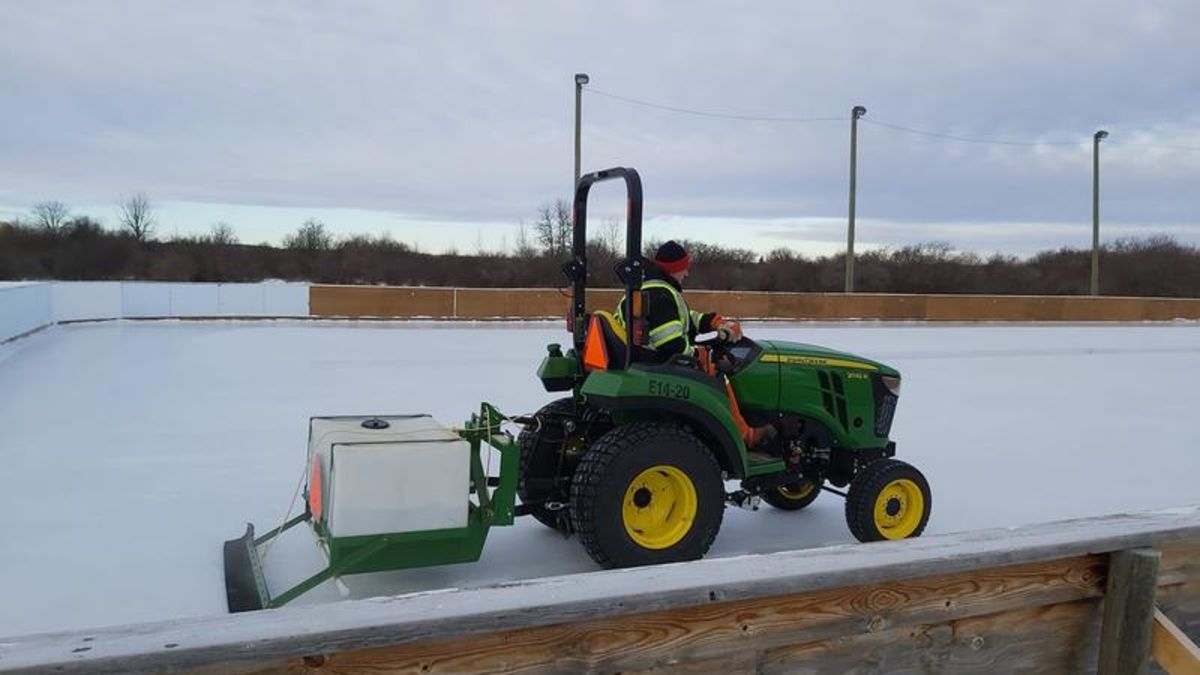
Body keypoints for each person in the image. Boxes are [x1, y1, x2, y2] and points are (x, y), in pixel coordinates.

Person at [617, 240, 775, 448]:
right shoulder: (660, 295)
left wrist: (714, 322)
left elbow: (686, 319)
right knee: (719, 373)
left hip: (646, 359)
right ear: (674, 269)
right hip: (658, 363)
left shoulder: (655, 290)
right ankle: (746, 436)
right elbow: (671, 344)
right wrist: (703, 354)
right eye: (684, 268)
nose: (687, 274)